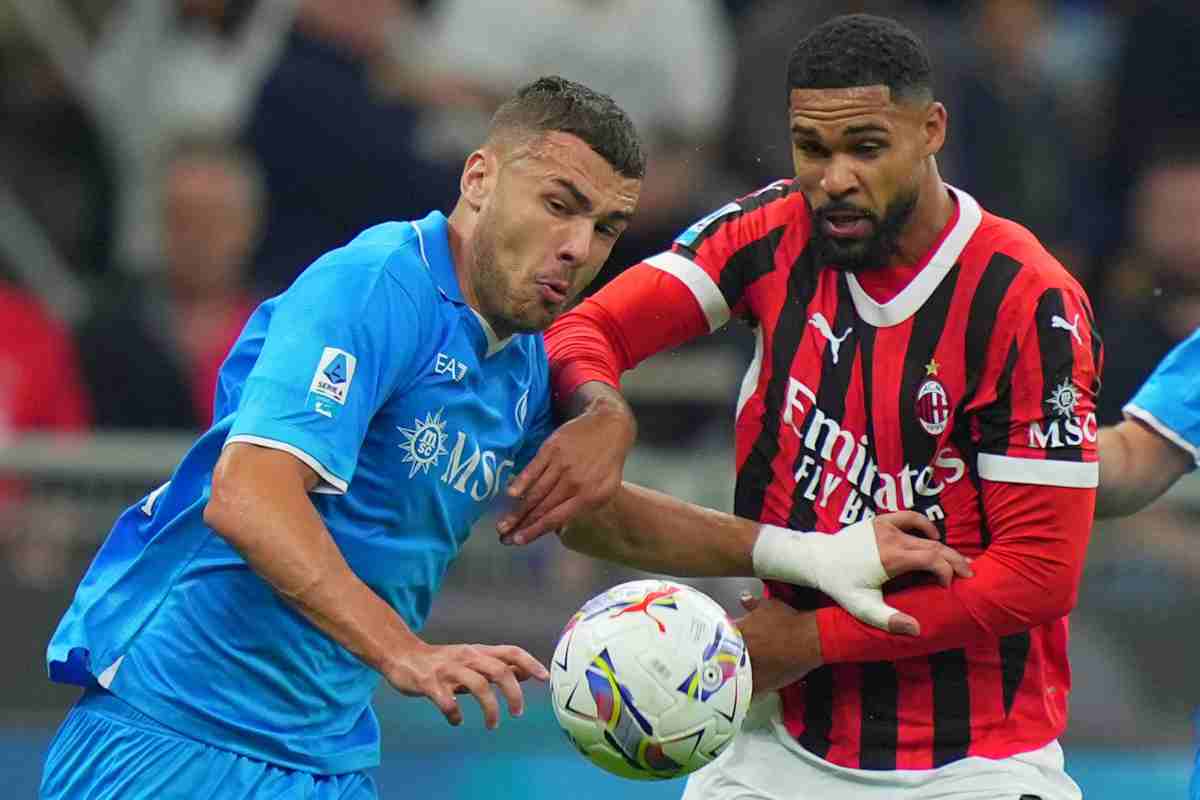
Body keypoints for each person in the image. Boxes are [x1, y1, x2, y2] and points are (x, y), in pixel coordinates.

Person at [40, 75, 967, 800]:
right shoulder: (374, 285)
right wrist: (404, 650)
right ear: (479, 178)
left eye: (606, 227)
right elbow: (250, 493)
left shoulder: (518, 362)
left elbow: (594, 518)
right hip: (176, 732)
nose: (580, 246)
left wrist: (810, 553)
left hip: (320, 754)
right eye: (559, 204)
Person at [505, 15, 1102, 800]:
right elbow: (592, 328)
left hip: (974, 764)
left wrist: (813, 638)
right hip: (771, 748)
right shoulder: (773, 229)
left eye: (865, 147)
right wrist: (603, 407)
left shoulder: (1028, 301)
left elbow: (1037, 577)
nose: (834, 178)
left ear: (931, 132)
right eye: (811, 148)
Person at [77, 138, 262, 431]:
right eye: (183, 219)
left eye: (214, 220)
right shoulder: (106, 335)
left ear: (249, 225)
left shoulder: (285, 329)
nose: (198, 237)